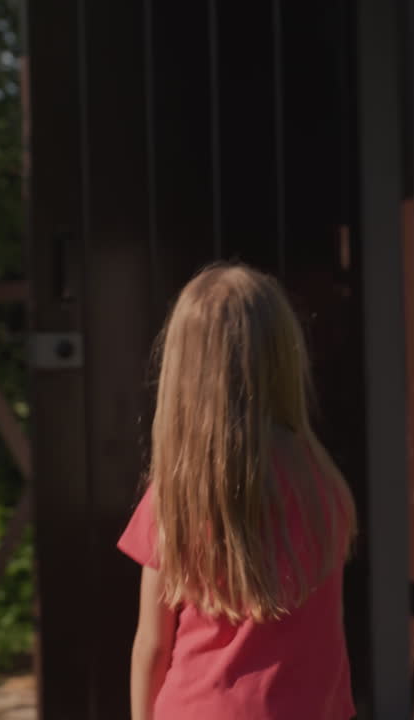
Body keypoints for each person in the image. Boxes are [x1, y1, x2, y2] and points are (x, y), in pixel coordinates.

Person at [118, 263, 358, 720]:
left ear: (182, 370)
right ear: (283, 357)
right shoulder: (321, 481)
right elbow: (330, 637)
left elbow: (152, 643)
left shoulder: (178, 495)